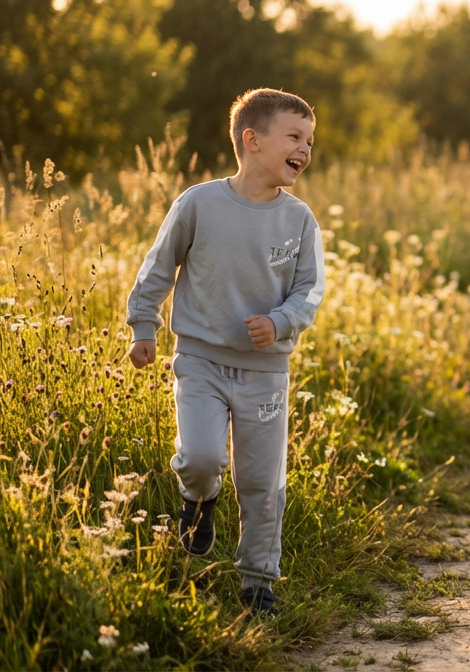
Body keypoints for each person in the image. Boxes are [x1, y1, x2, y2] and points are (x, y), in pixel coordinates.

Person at [125, 88, 326, 617]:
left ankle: (258, 582)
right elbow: (159, 265)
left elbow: (310, 290)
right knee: (202, 457)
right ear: (252, 140)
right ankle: (199, 499)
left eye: (310, 141)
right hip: (200, 361)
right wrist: (143, 324)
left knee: (262, 480)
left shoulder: (299, 219)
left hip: (265, 372)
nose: (305, 149)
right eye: (295, 137)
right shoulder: (199, 203)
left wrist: (281, 322)